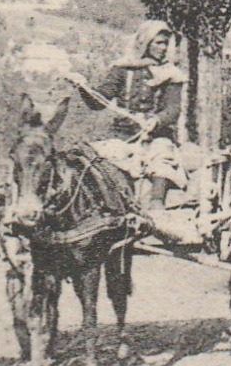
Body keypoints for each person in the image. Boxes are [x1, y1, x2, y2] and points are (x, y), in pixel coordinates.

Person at [67, 20, 198, 243]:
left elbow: (174, 109)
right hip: (122, 136)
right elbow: (99, 101)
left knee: (161, 159)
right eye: (159, 43)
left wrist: (156, 121)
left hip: (156, 137)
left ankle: (156, 208)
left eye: (166, 44)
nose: (163, 48)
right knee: (95, 162)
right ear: (145, 43)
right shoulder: (123, 69)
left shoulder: (171, 74)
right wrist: (82, 87)